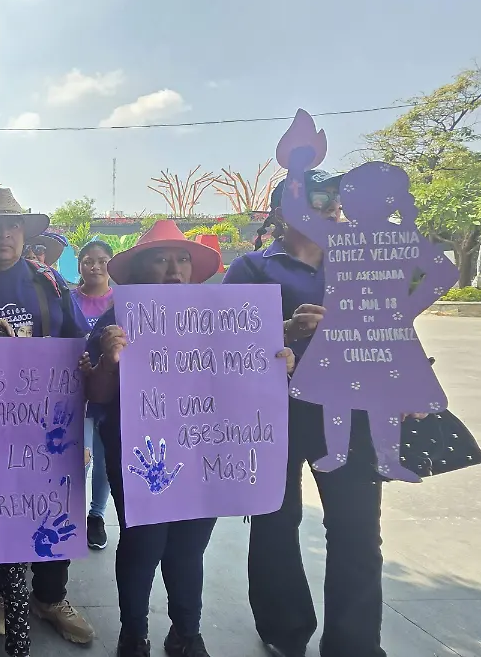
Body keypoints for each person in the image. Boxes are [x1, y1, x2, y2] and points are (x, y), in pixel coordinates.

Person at [84, 220, 296, 657]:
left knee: (190, 547)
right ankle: (133, 634)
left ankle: (186, 631)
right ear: (140, 269)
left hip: (206, 449)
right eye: (161, 260)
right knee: (143, 545)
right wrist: (109, 359)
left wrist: (278, 364)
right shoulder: (113, 320)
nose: (173, 269)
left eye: (182, 259)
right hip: (140, 455)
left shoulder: (227, 319)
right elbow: (98, 396)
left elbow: (247, 379)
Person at [223, 171, 385, 657]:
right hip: (273, 413)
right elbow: (223, 345)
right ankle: (283, 628)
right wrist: (285, 332)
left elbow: (391, 333)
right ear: (282, 212)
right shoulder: (252, 269)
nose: (329, 210)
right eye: (315, 201)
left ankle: (354, 644)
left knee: (357, 528)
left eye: (333, 203)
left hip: (353, 413)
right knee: (275, 520)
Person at [0, 188, 95, 646]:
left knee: (50, 510)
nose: (3, 234)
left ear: (24, 233)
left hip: (43, 424)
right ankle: (0, 596)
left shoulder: (46, 283)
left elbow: (77, 347)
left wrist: (78, 423)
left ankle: (50, 598)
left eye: (11, 225)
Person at [72, 240, 115, 550]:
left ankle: (96, 516)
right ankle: (71, 512)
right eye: (88, 261)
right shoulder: (67, 300)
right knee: (79, 456)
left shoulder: (123, 303)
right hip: (76, 391)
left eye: (102, 260)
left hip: (110, 393)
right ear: (80, 266)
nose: (95, 266)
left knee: (105, 457)